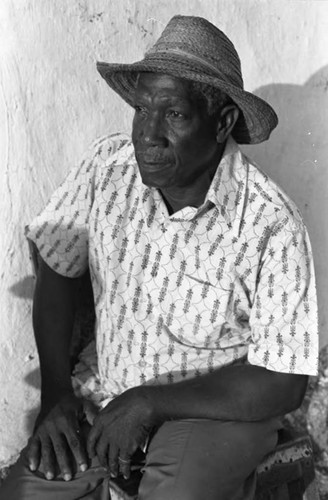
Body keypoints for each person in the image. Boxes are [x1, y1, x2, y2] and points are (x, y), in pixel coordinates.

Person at [1, 14, 318, 500]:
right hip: (104, 394)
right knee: (25, 492)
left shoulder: (270, 223)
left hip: (212, 410)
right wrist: (56, 394)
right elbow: (59, 266)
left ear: (222, 123)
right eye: (141, 109)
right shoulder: (108, 168)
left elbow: (284, 381)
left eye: (174, 115)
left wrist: (149, 403)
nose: (147, 134)